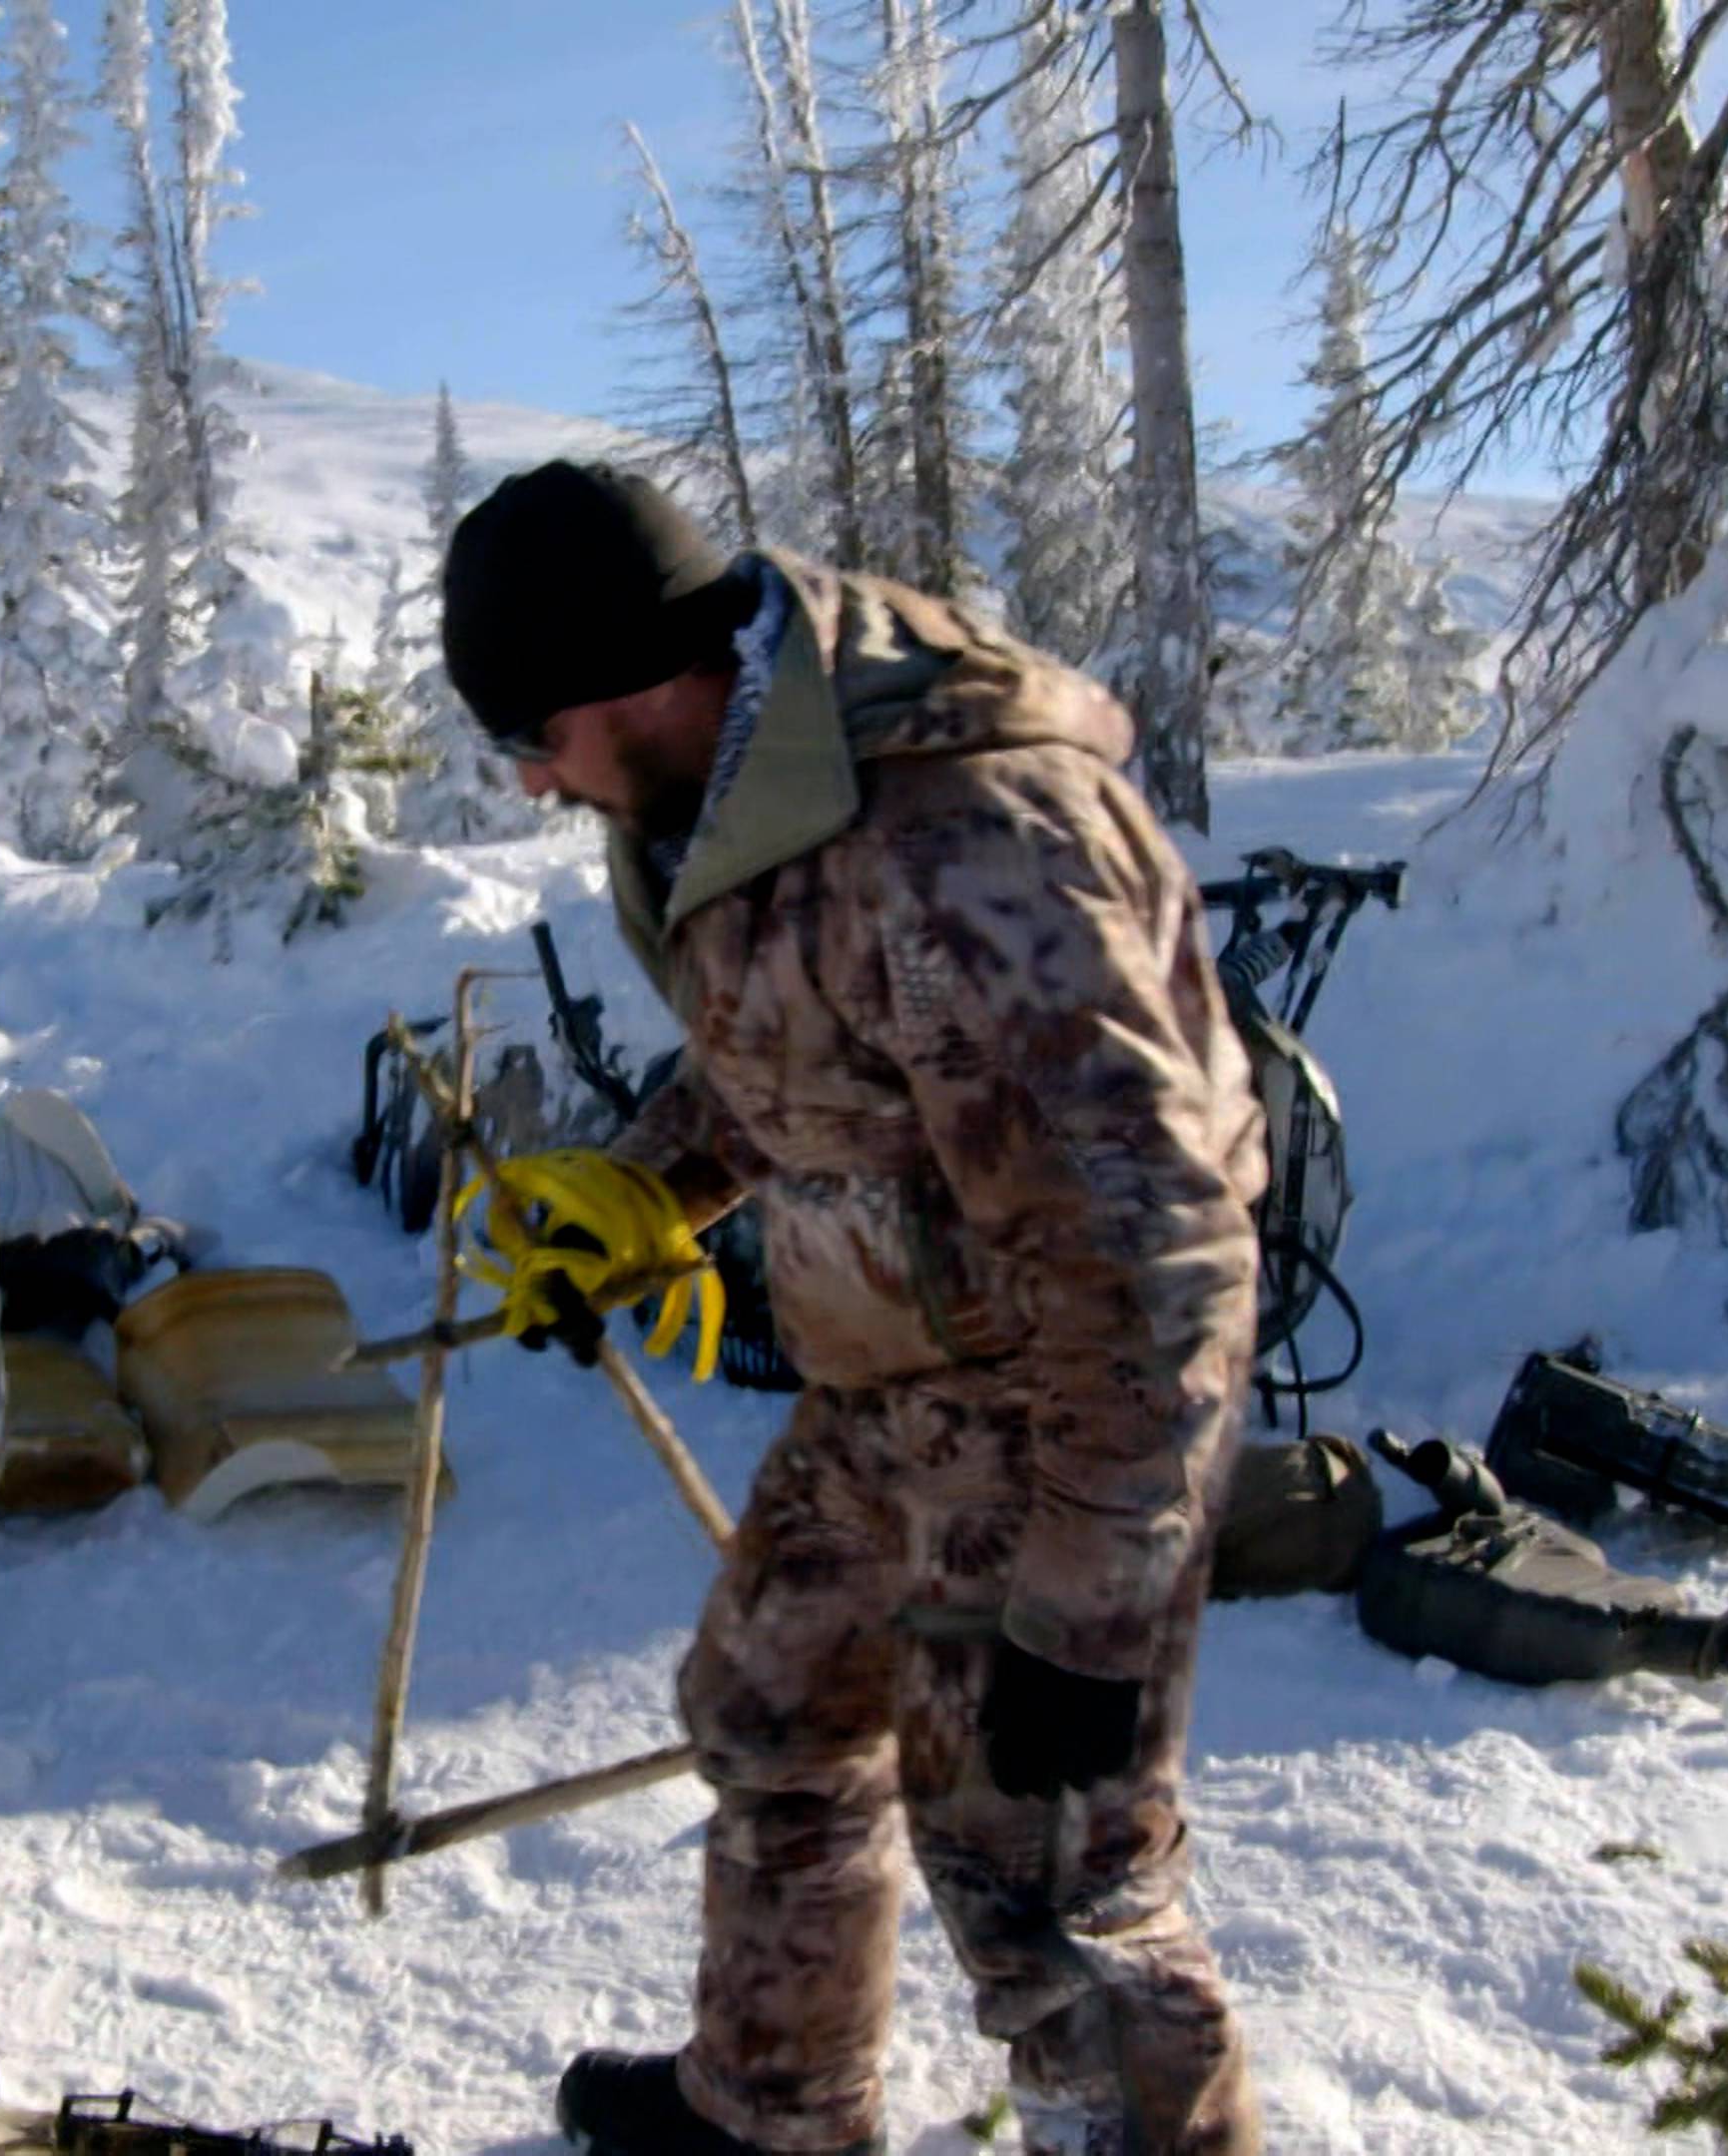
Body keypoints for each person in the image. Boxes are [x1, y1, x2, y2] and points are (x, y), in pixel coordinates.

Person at [438, 462, 1267, 2156]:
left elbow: (1157, 1252)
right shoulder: (740, 788)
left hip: (1056, 1419)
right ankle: (773, 2116)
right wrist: (642, 1191)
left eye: (536, 733)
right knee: (773, 1712)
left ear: (643, 679)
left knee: (1051, 1889)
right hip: (887, 1386)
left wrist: (1089, 1609)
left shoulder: (967, 839)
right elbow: (831, 1048)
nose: (529, 776)